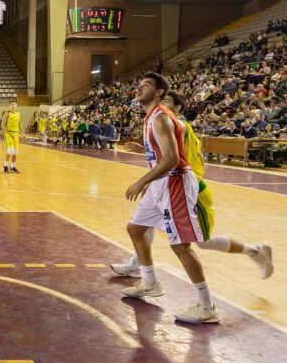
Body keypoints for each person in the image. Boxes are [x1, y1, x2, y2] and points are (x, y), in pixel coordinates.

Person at [111, 90, 273, 283]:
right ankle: (137, 265)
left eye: (167, 102)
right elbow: (164, 154)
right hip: (170, 185)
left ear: (178, 108)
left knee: (202, 242)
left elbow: (172, 153)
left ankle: (255, 251)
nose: (161, 105)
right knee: (142, 225)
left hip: (191, 190)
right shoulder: (165, 125)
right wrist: (143, 151)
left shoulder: (180, 124)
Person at [120, 73, 219, 324]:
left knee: (180, 244)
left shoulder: (162, 117)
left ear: (159, 93)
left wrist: (143, 180)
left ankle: (207, 307)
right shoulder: (150, 117)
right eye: (139, 83)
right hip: (161, 183)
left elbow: (172, 158)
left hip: (175, 181)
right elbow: (161, 155)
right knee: (135, 229)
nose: (140, 87)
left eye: (147, 85)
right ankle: (150, 282)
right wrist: (151, 178)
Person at [0, 100, 22, 173]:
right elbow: (3, 125)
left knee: (15, 152)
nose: (13, 105)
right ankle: (5, 165)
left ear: (16, 105)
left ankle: (13, 167)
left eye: (14, 104)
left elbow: (19, 123)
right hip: (8, 134)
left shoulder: (18, 113)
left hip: (16, 134)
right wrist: (9, 133)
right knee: (10, 150)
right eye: (11, 104)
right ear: (9, 106)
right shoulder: (7, 113)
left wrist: (23, 133)